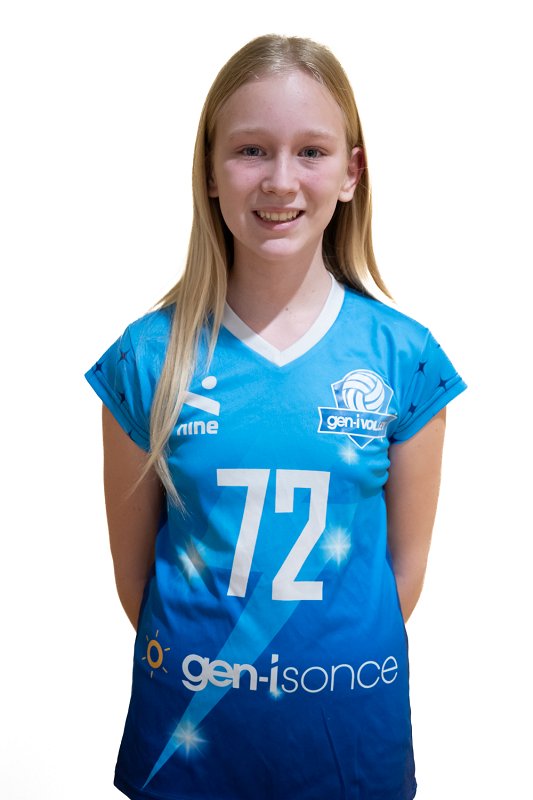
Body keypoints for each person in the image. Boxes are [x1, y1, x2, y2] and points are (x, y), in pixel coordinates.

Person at [86, 33, 466, 800]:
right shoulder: (147, 358)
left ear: (351, 173)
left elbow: (401, 575)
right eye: (251, 150)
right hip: (188, 745)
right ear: (209, 171)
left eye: (311, 152)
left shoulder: (404, 357)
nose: (280, 180)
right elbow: (136, 579)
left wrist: (310, 672)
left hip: (348, 742)